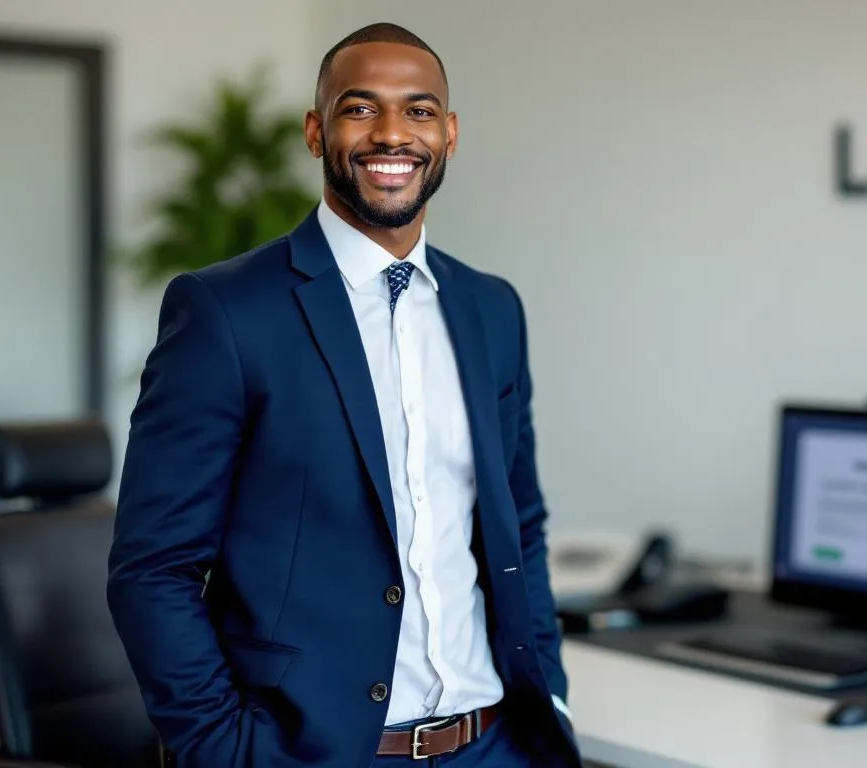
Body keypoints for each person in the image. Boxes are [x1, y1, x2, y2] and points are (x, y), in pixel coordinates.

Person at [107, 22, 581, 768]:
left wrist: (548, 690)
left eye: (419, 111)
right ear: (314, 129)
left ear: (450, 134)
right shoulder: (227, 312)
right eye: (360, 109)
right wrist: (224, 750)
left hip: (492, 744)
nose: (392, 133)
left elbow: (519, 523)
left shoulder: (491, 309)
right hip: (316, 753)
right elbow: (153, 567)